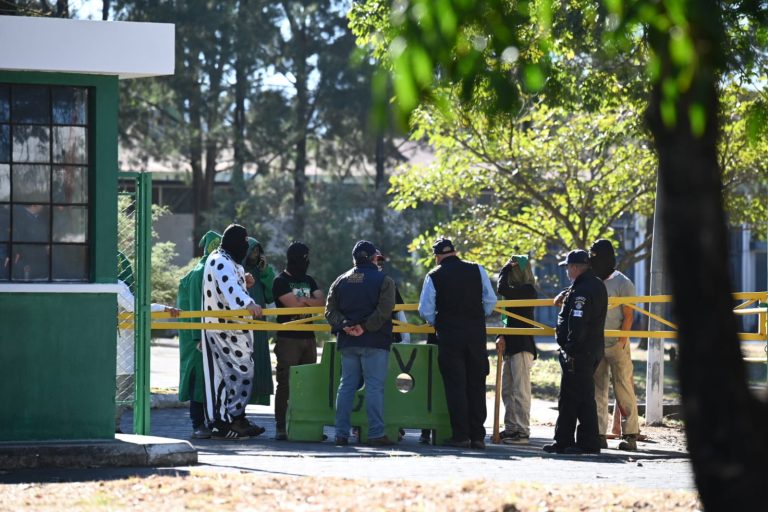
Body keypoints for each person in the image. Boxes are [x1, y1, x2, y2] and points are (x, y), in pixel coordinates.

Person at [418, 237, 497, 449]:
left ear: (437, 257)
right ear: (454, 251)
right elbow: (490, 301)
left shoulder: (434, 275)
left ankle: (461, 435)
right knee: (477, 384)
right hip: (475, 335)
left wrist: (440, 322)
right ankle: (478, 436)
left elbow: (425, 309)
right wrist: (477, 316)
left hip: (449, 336)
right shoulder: (477, 269)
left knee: (456, 386)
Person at [326, 240, 396, 446]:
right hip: (375, 341)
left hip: (348, 341)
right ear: (373, 257)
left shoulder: (340, 280)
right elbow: (385, 310)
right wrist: (364, 327)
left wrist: (346, 325)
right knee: (374, 388)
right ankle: (376, 433)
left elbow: (329, 311)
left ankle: (341, 434)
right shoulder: (385, 280)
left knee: (346, 386)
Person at [201, 224, 265, 440]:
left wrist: (244, 280)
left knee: (242, 372)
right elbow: (230, 290)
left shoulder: (229, 260)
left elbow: (232, 283)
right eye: (244, 242)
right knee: (228, 375)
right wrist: (248, 302)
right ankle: (224, 422)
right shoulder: (219, 260)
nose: (246, 247)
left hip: (234, 330)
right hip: (223, 329)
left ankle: (237, 418)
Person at [543, 249, 607, 455]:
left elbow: (578, 323)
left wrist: (570, 348)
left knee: (582, 398)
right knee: (569, 398)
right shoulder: (590, 285)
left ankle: (588, 443)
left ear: (575, 267)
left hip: (579, 352)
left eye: (568, 267)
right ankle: (563, 440)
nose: (567, 271)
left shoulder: (582, 290)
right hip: (586, 350)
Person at [589, 239, 640, 451]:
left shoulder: (623, 283)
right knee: (598, 389)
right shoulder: (592, 280)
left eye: (596, 256)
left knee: (623, 388)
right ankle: (599, 433)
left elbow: (629, 315)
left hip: (618, 344)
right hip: (597, 344)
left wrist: (622, 341)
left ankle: (630, 435)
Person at [271, 241, 326, 441]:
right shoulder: (280, 281)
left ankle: (307, 425)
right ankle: (280, 427)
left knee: (308, 383)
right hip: (288, 340)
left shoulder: (310, 280)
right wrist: (306, 302)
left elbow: (322, 303)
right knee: (285, 383)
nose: (306, 261)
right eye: (304, 257)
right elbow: (292, 305)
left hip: (308, 338)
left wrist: (305, 303)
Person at [115, 266, 180, 433]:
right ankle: (112, 425)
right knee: (122, 391)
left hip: (113, 350)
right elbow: (135, 307)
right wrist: (162, 308)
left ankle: (111, 424)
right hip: (123, 355)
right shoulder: (118, 285)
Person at [177, 231, 221, 439]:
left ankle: (210, 420)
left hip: (208, 334)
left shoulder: (213, 270)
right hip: (198, 337)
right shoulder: (200, 272)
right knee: (199, 380)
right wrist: (199, 337)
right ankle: (198, 423)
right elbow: (197, 308)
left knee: (210, 379)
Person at [496, 254, 538, 444]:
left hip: (522, 346)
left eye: (514, 268)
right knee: (507, 390)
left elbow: (502, 287)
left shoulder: (528, 290)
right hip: (510, 345)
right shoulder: (512, 293)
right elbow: (507, 317)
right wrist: (500, 335)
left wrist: (504, 269)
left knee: (520, 391)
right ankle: (511, 427)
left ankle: (522, 431)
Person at [242, 237, 276, 407]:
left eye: (257, 251)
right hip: (240, 329)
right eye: (252, 250)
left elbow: (270, 295)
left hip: (259, 328)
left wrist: (265, 272)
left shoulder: (260, 271)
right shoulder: (236, 270)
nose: (255, 255)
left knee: (258, 365)